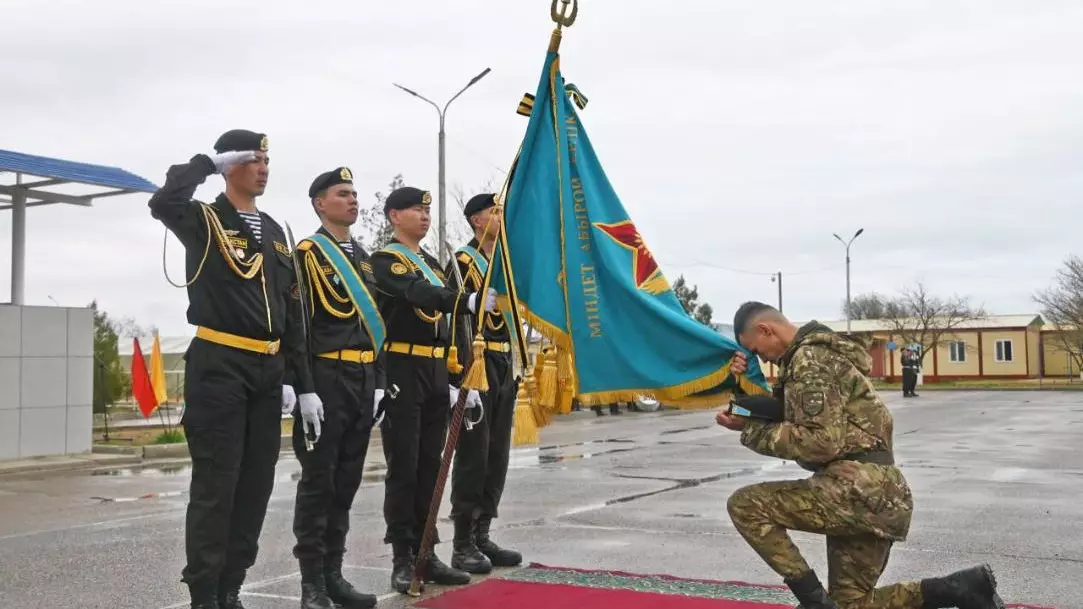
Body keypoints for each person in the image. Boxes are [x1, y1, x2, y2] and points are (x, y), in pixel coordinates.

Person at [716, 301, 1004, 609]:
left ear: (765, 330)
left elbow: (820, 442)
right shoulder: (818, 355)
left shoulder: (810, 359)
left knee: (746, 505)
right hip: (878, 492)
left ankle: (814, 603)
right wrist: (742, 396)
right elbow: (786, 411)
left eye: (757, 351)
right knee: (852, 605)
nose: (762, 358)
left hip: (855, 488)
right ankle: (962, 589)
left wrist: (750, 432)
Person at [149, 129, 315, 609]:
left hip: (267, 369)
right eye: (252, 159)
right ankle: (205, 592)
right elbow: (163, 200)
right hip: (219, 364)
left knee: (256, 484)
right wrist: (207, 162)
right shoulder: (204, 219)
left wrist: (299, 382)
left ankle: (231, 585)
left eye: (267, 159)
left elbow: (292, 313)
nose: (263, 167)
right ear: (231, 165)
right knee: (216, 485)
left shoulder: (277, 232)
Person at [369, 186, 498, 593]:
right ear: (393, 216)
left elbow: (447, 323)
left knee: (431, 464)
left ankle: (428, 551)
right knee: (404, 466)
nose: (424, 215)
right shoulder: (386, 260)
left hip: (434, 366)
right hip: (402, 367)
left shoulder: (430, 262)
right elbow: (419, 295)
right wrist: (467, 301)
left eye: (426, 209)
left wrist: (460, 379)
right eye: (413, 209)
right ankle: (403, 557)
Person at [289, 167, 387, 609]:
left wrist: (381, 383)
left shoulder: (364, 257)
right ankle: (311, 583)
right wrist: (302, 386)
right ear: (319, 203)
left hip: (363, 379)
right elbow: (299, 325)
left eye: (354, 194)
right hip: (326, 378)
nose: (352, 200)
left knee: (346, 482)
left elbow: (375, 325)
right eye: (342, 193)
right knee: (318, 482)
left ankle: (334, 575)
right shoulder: (308, 254)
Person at [444, 193, 523, 574]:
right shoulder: (463, 261)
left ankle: (482, 532)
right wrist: (462, 376)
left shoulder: (503, 262)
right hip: (478, 362)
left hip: (505, 360)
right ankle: (462, 543)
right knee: (474, 454)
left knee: (498, 454)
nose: (500, 216)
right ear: (477, 220)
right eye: (494, 211)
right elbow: (456, 319)